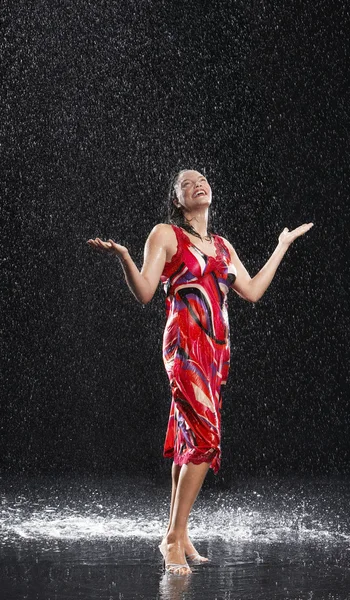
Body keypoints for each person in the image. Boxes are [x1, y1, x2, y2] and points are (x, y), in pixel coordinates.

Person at [86, 169, 313, 575]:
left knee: (190, 439)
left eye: (202, 179)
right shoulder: (166, 235)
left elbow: (253, 291)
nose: (197, 184)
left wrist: (281, 246)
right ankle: (171, 538)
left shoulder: (223, 246)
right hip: (185, 349)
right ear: (177, 200)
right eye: (186, 183)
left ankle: (181, 531)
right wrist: (124, 257)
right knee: (207, 440)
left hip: (215, 355)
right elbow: (144, 292)